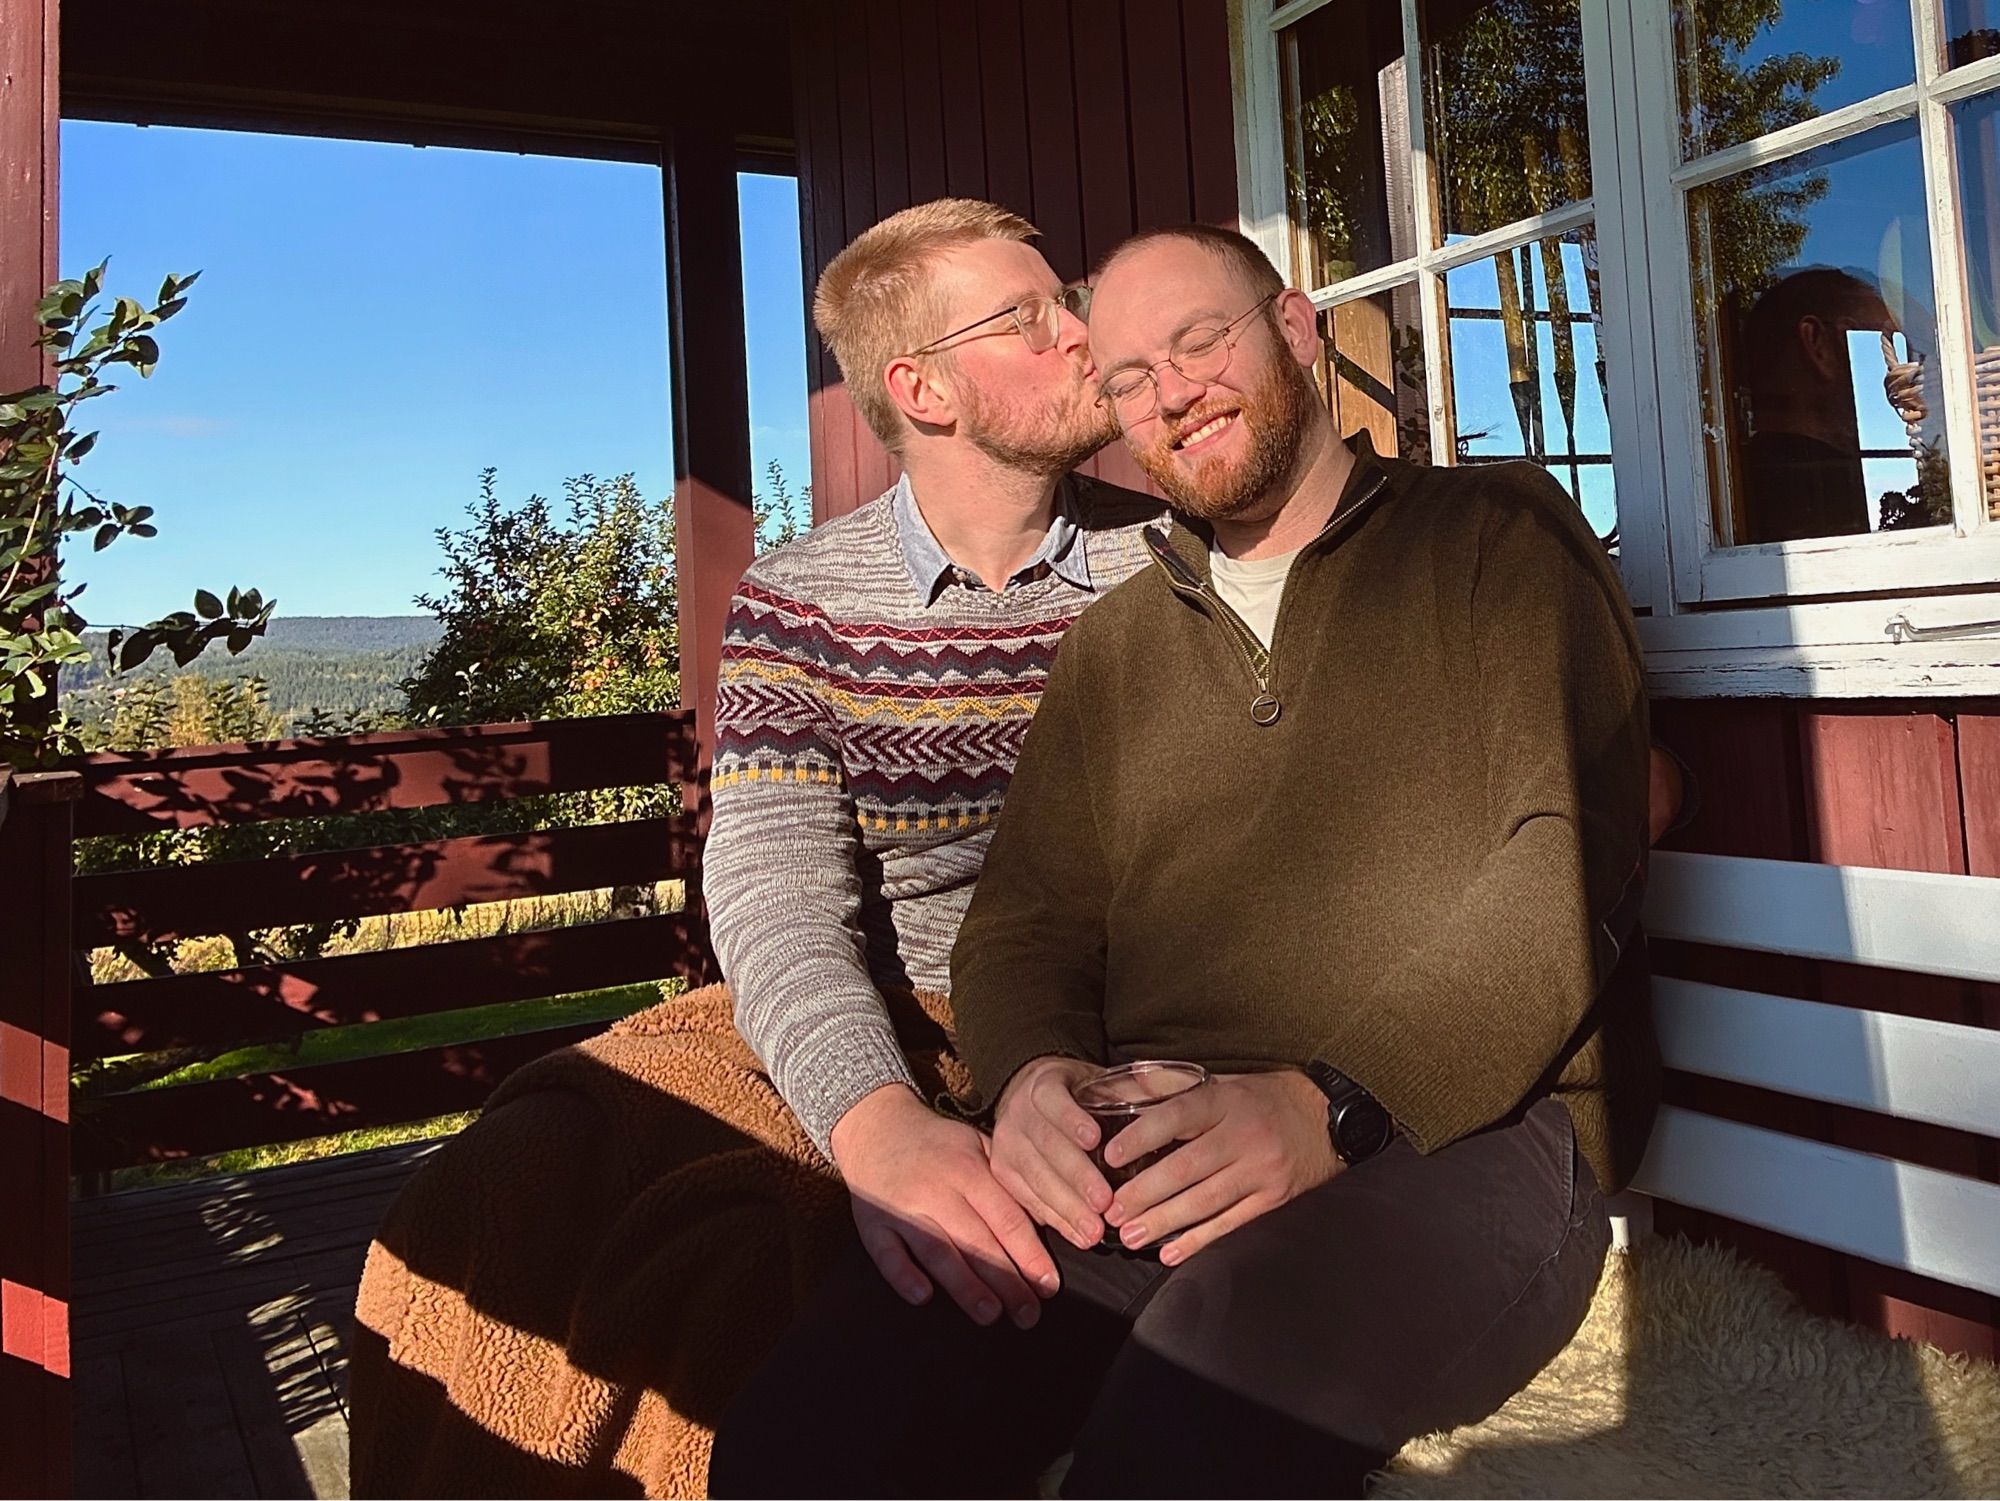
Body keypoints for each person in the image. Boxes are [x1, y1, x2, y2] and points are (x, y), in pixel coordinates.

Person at [709, 224, 1661, 1500]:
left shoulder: (1491, 537)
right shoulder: (1117, 642)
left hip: (1458, 1134)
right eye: (1126, 376)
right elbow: (1023, 923)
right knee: (810, 1428)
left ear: (1293, 328)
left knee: (1185, 1422)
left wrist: (1326, 1102)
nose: (1168, 391)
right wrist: (1035, 1070)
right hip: (1149, 1134)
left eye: (1198, 340)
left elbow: (1559, 869)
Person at [347, 198, 1164, 1497]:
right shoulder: (802, 598)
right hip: (874, 1013)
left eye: (1071, 298)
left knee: (724, 1266)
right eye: (1031, 314)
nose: (1082, 331)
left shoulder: (1170, 566)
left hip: (1079, 1028)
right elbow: (776, 887)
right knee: (514, 1181)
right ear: (924, 387)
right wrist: (876, 1120)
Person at [1738, 267, 1923, 543]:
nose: (1902, 370)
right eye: (1882, 341)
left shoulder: (1745, 489)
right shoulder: (1818, 488)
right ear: (1818, 344)